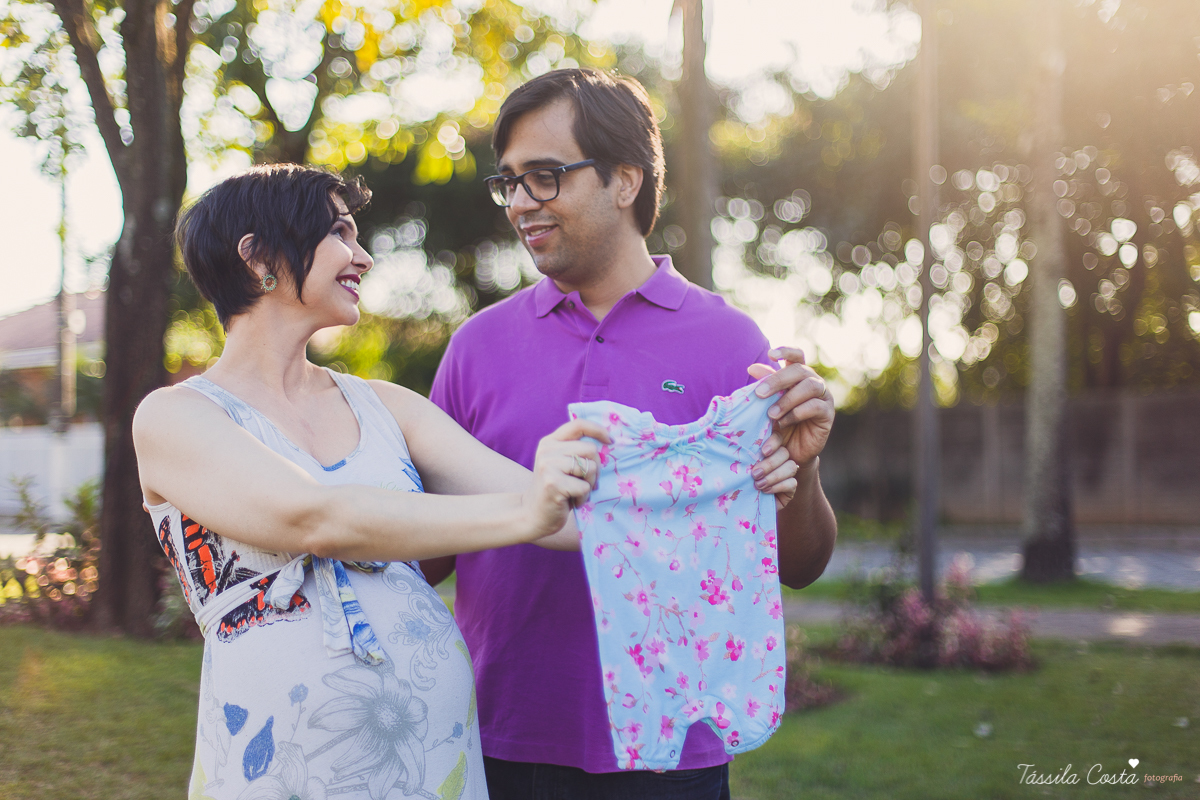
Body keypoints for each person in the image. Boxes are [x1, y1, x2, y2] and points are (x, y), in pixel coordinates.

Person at [132, 164, 615, 800]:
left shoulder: (387, 405)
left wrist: (723, 467)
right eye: (338, 232)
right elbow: (315, 518)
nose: (362, 256)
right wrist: (527, 514)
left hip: (433, 755)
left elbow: (569, 518)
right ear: (258, 257)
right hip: (278, 764)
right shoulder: (174, 416)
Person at [421, 68, 838, 800]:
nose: (519, 203)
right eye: (509, 182)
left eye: (544, 177)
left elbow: (800, 565)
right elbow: (426, 555)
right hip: (501, 735)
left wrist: (800, 473)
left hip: (675, 753)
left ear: (624, 179)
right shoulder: (475, 348)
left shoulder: (730, 344)